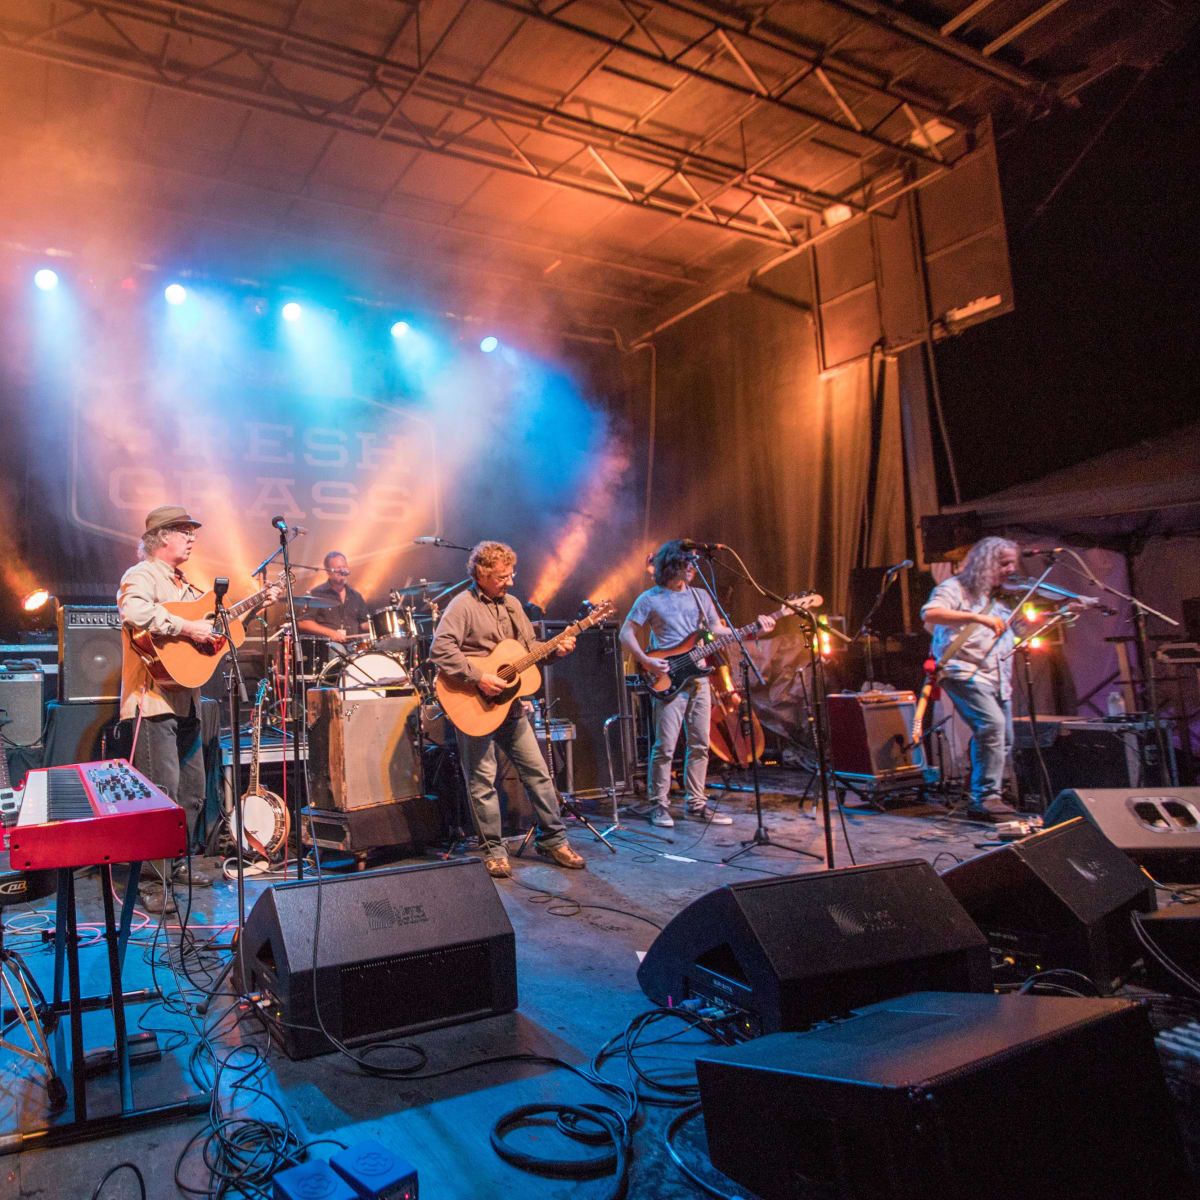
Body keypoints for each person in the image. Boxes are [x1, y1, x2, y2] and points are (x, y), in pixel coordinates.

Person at [117, 505, 278, 911]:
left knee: (190, 794)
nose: (192, 538)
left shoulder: (186, 585)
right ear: (162, 537)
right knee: (161, 793)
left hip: (186, 700)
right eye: (185, 531)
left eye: (192, 531)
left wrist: (257, 604)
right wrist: (187, 627)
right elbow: (134, 612)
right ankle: (153, 882)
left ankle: (178, 863)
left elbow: (218, 625)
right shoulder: (141, 576)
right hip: (152, 701)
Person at [430, 540, 587, 879]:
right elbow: (439, 649)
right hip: (474, 705)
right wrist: (480, 677)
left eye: (511, 574)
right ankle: (493, 850)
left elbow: (530, 652)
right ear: (481, 574)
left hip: (512, 708)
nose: (510, 582)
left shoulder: (514, 605)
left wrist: (557, 651)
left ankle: (553, 840)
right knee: (482, 781)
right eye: (502, 576)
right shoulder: (462, 606)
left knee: (539, 775)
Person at [620, 540, 776, 828]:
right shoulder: (650, 598)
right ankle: (659, 805)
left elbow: (716, 630)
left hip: (700, 678)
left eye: (693, 563)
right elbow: (626, 632)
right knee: (665, 746)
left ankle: (697, 803)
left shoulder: (701, 595)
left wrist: (753, 628)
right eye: (686, 563)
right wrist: (646, 659)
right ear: (671, 565)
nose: (692, 568)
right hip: (667, 676)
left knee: (700, 744)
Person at [920, 536, 1021, 821]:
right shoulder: (956, 588)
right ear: (986, 562)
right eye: (1004, 563)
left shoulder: (1000, 598)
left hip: (996, 675)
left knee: (1003, 737)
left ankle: (982, 791)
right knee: (992, 725)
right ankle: (986, 797)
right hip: (962, 669)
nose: (1011, 569)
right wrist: (977, 618)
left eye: (1014, 562)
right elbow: (930, 613)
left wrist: (1063, 612)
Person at [296, 551, 370, 644]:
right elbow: (303, 623)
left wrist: (382, 622)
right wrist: (331, 633)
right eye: (338, 568)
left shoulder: (356, 596)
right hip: (329, 646)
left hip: (354, 647)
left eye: (344, 567)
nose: (342, 571)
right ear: (328, 571)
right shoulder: (317, 593)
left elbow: (363, 624)